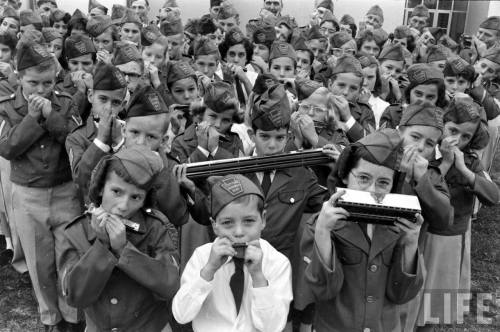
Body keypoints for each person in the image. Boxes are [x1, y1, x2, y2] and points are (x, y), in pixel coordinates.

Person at [301, 129, 424, 332]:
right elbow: (323, 290)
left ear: (393, 186)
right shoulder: (321, 224)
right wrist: (323, 233)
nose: (372, 190)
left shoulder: (400, 227)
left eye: (383, 182)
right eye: (363, 178)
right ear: (345, 176)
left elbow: (402, 294)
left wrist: (411, 243)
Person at [0, 40, 82, 331]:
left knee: (69, 257)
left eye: (47, 83)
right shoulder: (7, 107)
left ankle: (72, 316)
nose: (40, 90)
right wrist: (34, 119)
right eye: (33, 82)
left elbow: (75, 138)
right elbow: (8, 148)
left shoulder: (66, 102)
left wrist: (50, 116)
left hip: (65, 192)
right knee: (39, 262)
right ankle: (51, 317)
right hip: (28, 195)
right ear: (19, 78)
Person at [60, 146, 180, 332]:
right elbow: (75, 297)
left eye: (135, 197)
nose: (124, 206)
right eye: (116, 192)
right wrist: (103, 247)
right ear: (100, 189)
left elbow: (170, 286)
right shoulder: (77, 231)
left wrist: (124, 250)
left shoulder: (157, 228)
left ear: (145, 199)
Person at [413, 97, 500, 331]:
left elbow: (493, 196)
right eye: (452, 131)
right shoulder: (427, 153)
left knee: (435, 301)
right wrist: (443, 163)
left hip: (449, 239)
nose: (456, 141)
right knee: (411, 294)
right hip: (420, 233)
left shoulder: (470, 162)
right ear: (442, 125)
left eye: (465, 137)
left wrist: (463, 169)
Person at [172, 173, 293, 331]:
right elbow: (182, 314)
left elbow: (273, 327)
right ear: (215, 226)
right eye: (227, 223)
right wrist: (208, 270)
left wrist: (258, 277)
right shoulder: (202, 256)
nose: (238, 232)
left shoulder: (277, 262)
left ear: (263, 219)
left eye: (249, 221)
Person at [171, 80, 244, 163]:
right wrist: (202, 149)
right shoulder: (180, 142)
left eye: (226, 120)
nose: (217, 125)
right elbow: (179, 174)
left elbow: (242, 173)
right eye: (213, 116)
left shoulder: (234, 141)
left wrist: (215, 150)